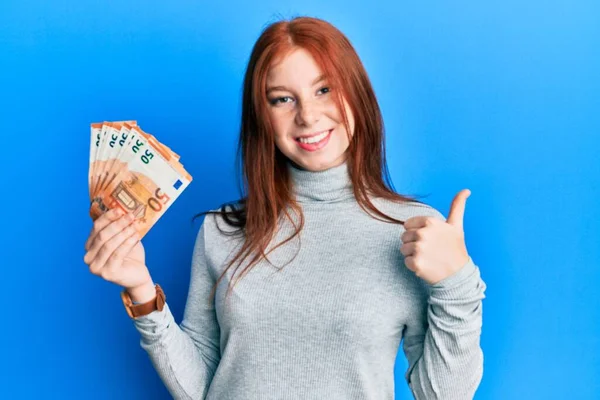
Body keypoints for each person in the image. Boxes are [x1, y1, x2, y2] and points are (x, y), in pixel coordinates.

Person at [83, 16, 486, 400]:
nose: (308, 116)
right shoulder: (221, 230)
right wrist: (140, 291)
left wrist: (457, 282)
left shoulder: (414, 233)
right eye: (282, 99)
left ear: (357, 96)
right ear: (263, 118)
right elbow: (203, 388)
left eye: (324, 89)